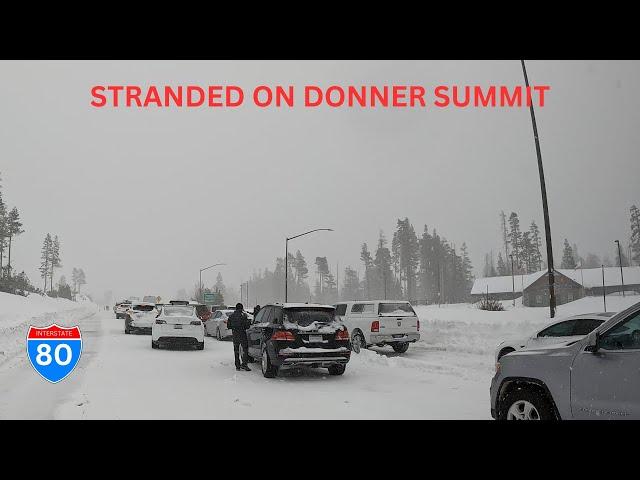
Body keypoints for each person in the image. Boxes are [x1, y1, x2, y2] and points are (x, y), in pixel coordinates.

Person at [227, 302, 251, 371]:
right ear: (241, 308)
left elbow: (228, 326)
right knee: (245, 349)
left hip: (235, 335)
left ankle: (237, 366)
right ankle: (244, 364)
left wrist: (234, 327)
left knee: (236, 350)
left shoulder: (231, 316)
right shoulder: (244, 316)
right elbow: (247, 326)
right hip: (242, 334)